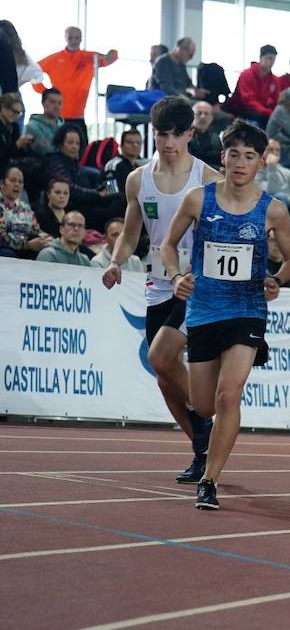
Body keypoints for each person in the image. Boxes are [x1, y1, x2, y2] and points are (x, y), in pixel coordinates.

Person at [160, 120, 290, 510]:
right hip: (204, 310)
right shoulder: (197, 200)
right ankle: (208, 443)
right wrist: (175, 278)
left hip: (247, 310)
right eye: (234, 154)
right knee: (204, 405)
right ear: (222, 157)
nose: (240, 162)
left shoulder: (272, 210)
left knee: (229, 394)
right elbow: (169, 246)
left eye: (249, 156)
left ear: (260, 162)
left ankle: (210, 480)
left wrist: (275, 280)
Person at [102, 97, 221, 484]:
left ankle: (208, 427)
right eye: (160, 134)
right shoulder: (138, 179)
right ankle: (203, 447)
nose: (167, 142)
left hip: (196, 284)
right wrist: (116, 262)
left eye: (175, 134)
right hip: (157, 282)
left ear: (190, 134)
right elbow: (131, 232)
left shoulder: (207, 179)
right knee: (163, 374)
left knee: (161, 355)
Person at [33, 26, 118, 134]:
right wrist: (44, 91)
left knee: (82, 149)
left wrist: (110, 54)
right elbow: (34, 70)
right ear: (65, 38)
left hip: (78, 116)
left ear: (81, 39)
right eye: (70, 38)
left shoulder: (89, 57)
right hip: (57, 117)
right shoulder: (54, 59)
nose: (74, 41)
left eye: (77, 38)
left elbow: (111, 57)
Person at [1, 166, 50, 258]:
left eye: (20, 182)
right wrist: (27, 245)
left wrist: (46, 239)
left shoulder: (25, 207)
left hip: (24, 247)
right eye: (13, 180)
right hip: (6, 249)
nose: (17, 184)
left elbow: (35, 229)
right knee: (8, 254)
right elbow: (2, 237)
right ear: (2, 183)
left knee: (47, 250)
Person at [227, 45, 280, 125]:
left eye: (273, 59)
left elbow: (275, 100)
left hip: (262, 111)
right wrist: (267, 112)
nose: (271, 62)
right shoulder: (246, 74)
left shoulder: (274, 80)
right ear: (261, 58)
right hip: (241, 109)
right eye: (268, 58)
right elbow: (248, 100)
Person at [24, 87, 65, 156]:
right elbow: (45, 151)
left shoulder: (65, 127)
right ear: (43, 103)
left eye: (59, 103)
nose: (56, 106)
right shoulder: (32, 126)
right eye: (52, 102)